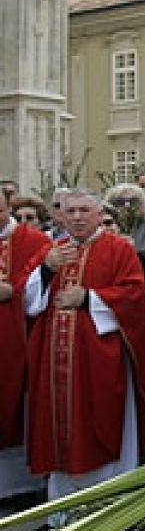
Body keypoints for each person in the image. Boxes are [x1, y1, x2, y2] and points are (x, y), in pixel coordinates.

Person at [23, 189, 145, 503]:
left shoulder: (118, 249)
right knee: (60, 436)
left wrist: (89, 298)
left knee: (103, 428)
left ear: (100, 214)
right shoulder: (53, 251)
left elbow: (134, 297)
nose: (77, 217)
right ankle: (62, 513)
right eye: (69, 211)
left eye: (84, 210)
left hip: (101, 360)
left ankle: (108, 504)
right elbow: (28, 303)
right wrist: (46, 270)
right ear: (60, 216)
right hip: (56, 364)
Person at [0, 190, 51, 451]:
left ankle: (18, 486)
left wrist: (13, 292)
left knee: (17, 402)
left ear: (8, 207)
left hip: (18, 338)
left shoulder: (35, 241)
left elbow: (43, 286)